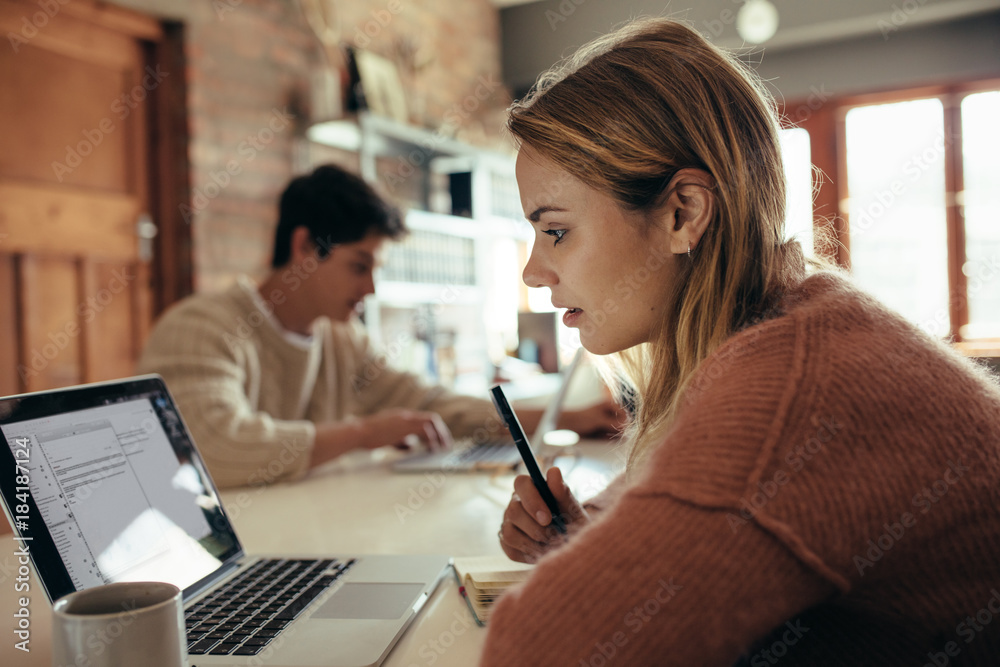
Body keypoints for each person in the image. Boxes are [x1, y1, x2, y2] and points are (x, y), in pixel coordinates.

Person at [486, 18, 1000, 666]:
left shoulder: (791, 383)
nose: (535, 270)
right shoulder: (797, 318)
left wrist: (596, 578)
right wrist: (588, 543)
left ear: (683, 213)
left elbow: (537, 647)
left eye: (555, 231)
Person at [138, 165, 624, 489]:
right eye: (358, 265)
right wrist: (363, 432)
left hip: (299, 538)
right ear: (306, 248)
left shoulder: (340, 339)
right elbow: (215, 447)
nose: (370, 288)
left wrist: (567, 419)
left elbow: (437, 409)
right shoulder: (201, 329)